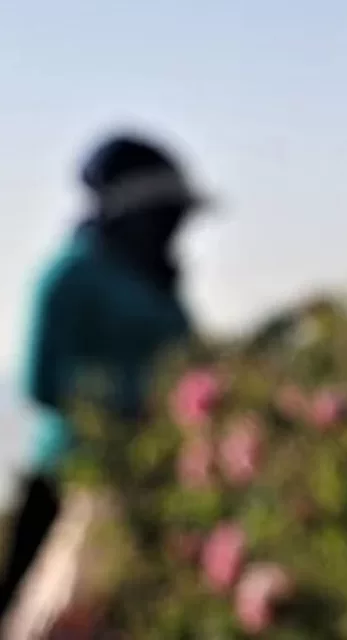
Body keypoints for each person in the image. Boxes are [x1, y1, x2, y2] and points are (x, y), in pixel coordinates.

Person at [0, 133, 209, 628]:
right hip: (73, 482)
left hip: (157, 480)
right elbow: (41, 383)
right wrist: (142, 402)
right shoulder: (69, 277)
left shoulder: (160, 290)